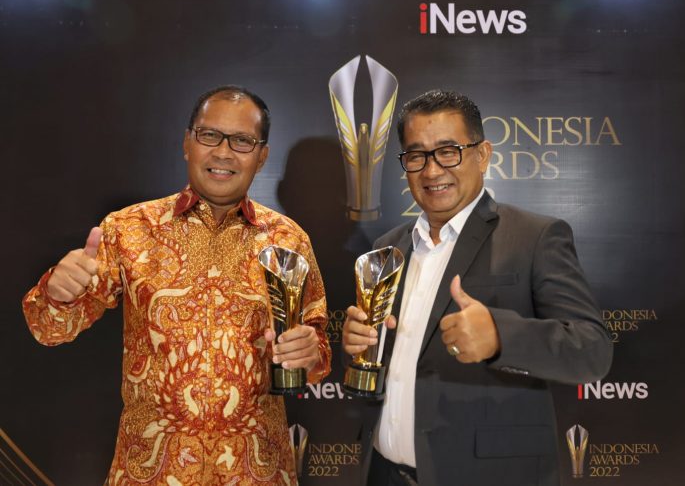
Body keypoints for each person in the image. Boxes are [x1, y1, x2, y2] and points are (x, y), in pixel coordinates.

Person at [22, 85, 331, 485]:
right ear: (187, 143)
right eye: (209, 135)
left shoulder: (288, 240)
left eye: (242, 141)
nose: (223, 152)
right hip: (150, 471)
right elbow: (49, 330)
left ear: (262, 156)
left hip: (256, 472)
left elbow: (317, 355)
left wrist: (310, 353)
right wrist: (57, 295)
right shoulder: (129, 229)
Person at [342, 89, 612, 486]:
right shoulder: (388, 248)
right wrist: (360, 346)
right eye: (416, 155)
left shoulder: (534, 237)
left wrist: (501, 337)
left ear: (482, 155)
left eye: (448, 151)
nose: (432, 171)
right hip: (384, 473)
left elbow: (592, 351)